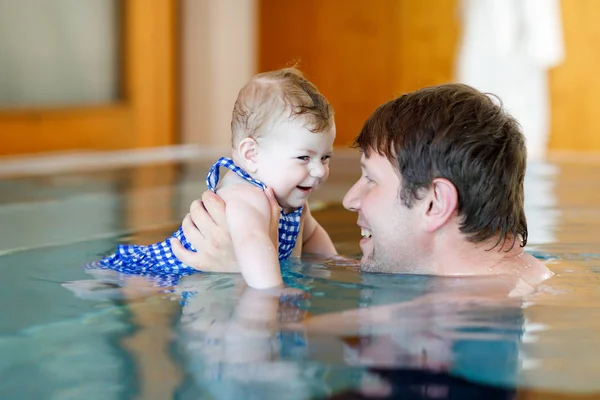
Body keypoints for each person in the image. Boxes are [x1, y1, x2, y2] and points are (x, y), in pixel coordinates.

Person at [172, 83, 553, 289]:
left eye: (370, 178)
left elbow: (268, 338)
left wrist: (236, 279)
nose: (350, 199)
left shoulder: (462, 307)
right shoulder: (520, 276)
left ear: (436, 203)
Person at [96, 67, 337, 289]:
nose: (319, 171)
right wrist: (276, 294)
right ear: (251, 155)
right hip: (157, 273)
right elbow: (252, 244)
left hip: (203, 283)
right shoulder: (246, 196)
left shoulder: (291, 199)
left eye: (325, 157)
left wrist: (336, 263)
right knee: (118, 291)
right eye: (304, 158)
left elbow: (312, 237)